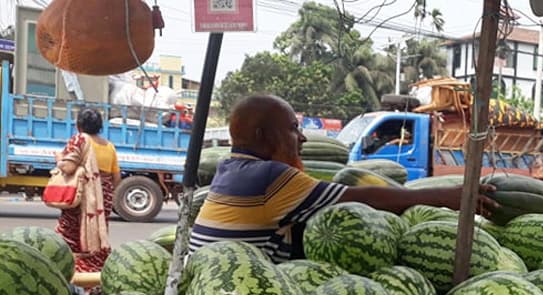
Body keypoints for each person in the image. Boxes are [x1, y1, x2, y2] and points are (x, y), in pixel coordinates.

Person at [189, 95, 495, 262]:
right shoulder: (269, 176)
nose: (302, 138)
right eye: (293, 128)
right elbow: (361, 199)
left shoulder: (232, 169)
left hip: (216, 287)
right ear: (262, 136)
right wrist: (447, 196)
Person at [55, 108, 117, 272]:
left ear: (79, 125)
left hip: (83, 198)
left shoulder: (79, 140)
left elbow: (68, 167)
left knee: (72, 235)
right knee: (97, 235)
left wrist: (59, 159)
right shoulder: (109, 146)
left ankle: (73, 272)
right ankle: (94, 274)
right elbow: (116, 178)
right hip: (103, 199)